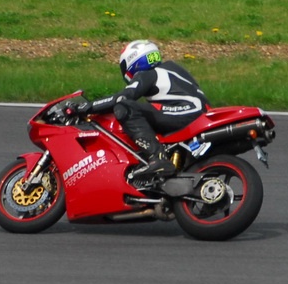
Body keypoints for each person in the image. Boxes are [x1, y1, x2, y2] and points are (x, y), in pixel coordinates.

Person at [68, 39, 209, 184]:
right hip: (198, 112)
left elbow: (121, 97)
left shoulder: (148, 74)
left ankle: (157, 157)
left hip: (186, 112)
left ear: (133, 62)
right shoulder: (172, 68)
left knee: (125, 107)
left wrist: (84, 108)